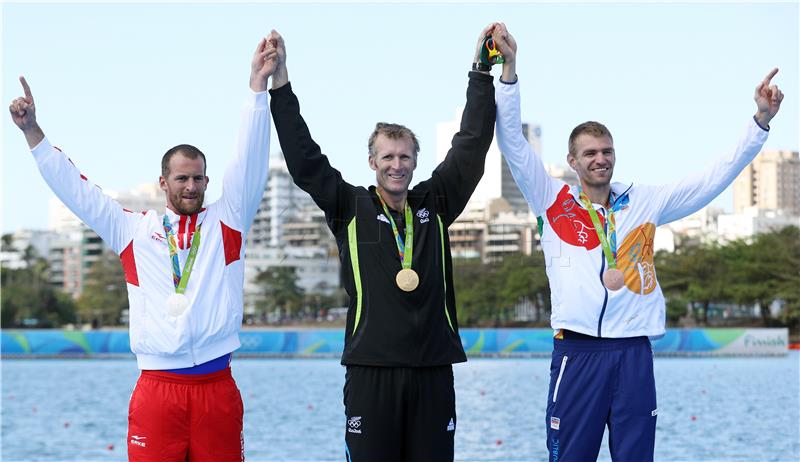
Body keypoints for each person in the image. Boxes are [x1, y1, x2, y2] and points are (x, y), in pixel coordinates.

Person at [490, 24, 784, 462]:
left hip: (633, 353)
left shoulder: (644, 201)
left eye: (607, 151)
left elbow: (711, 179)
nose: (600, 159)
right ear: (572, 161)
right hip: (577, 351)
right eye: (589, 153)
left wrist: (759, 122)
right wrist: (510, 73)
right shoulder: (550, 198)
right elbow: (512, 142)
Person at [9, 35, 279, 461]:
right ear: (163, 183)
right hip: (157, 390)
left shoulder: (229, 221)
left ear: (207, 182)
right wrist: (33, 133)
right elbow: (78, 192)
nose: (191, 186)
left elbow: (250, 156)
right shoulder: (132, 230)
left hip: (216, 388)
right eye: (182, 178)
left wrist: (257, 88)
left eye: (198, 178)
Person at [266, 24, 499, 461]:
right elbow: (304, 158)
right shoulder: (348, 206)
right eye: (387, 157)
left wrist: (481, 72)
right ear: (372, 161)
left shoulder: (436, 203)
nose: (396, 165)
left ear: (415, 161)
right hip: (371, 370)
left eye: (405, 156)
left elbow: (470, 147)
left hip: (433, 368)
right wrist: (281, 83)